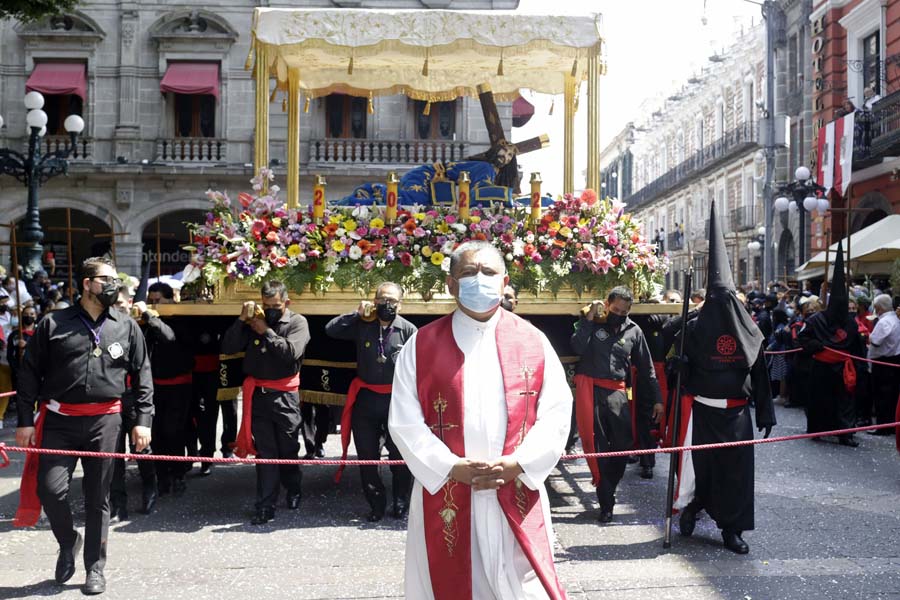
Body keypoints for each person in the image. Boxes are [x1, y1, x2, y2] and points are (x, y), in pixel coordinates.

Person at [388, 240, 572, 600]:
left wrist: (520, 462)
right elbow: (404, 421)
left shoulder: (533, 341)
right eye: (468, 273)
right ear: (450, 285)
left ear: (505, 282)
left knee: (523, 589)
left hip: (515, 485)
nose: (480, 280)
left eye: (489, 272)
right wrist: (450, 466)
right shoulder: (422, 345)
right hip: (446, 490)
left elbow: (556, 413)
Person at [14, 257, 153, 595]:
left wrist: (142, 421)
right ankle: (68, 541)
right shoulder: (53, 323)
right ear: (87, 283)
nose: (113, 286)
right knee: (50, 489)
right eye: (106, 279)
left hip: (106, 421)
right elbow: (29, 371)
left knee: (97, 497)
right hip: (59, 421)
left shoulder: (126, 325)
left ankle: (95, 567)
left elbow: (143, 373)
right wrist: (23, 421)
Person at [674, 200, 775, 554]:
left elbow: (761, 374)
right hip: (702, 413)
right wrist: (680, 362)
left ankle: (733, 530)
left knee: (736, 475)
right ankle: (693, 507)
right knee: (704, 469)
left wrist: (766, 412)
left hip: (736, 416)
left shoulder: (750, 333)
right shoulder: (692, 328)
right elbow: (676, 364)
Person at [221, 280, 310, 525]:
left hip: (285, 397)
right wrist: (242, 320)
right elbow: (228, 347)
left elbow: (291, 353)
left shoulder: (297, 323)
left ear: (286, 303)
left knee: (287, 450)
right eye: (266, 304)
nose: (270, 309)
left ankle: (293, 487)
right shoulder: (254, 322)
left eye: (276, 305)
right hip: (259, 396)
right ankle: (265, 504)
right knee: (266, 453)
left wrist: (266, 332)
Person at [326, 282, 417, 521]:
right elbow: (331, 330)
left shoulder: (408, 330)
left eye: (393, 301)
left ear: (400, 304)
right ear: (374, 301)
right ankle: (376, 504)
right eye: (383, 300)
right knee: (367, 456)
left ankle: (401, 501)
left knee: (400, 456)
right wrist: (356, 314)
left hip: (396, 401)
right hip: (366, 400)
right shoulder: (363, 325)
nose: (387, 305)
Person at [571, 287, 663, 521]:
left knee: (623, 446)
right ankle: (606, 500)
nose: (619, 314)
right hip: (591, 392)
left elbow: (646, 368)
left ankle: (609, 485)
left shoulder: (634, 331)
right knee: (600, 447)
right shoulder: (592, 322)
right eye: (615, 309)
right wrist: (589, 320)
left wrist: (657, 400)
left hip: (618, 394)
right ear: (607, 303)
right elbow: (577, 347)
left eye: (624, 311)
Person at [797, 242, 865, 447]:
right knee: (820, 400)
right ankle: (818, 429)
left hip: (843, 368)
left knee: (845, 402)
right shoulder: (816, 320)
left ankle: (845, 432)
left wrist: (859, 369)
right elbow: (802, 339)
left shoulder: (850, 324)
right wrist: (815, 345)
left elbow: (857, 348)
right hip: (822, 367)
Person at [137, 282, 194, 497]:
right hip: (155, 385)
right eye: (151, 301)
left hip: (179, 385)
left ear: (170, 300)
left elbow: (169, 337)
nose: (153, 304)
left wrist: (150, 317)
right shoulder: (147, 322)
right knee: (157, 433)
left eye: (158, 300)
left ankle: (178, 473)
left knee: (174, 431)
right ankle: (161, 476)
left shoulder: (182, 318)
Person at [109, 287, 158, 520]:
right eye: (113, 304)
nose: (118, 308)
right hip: (112, 398)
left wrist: (144, 415)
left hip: (134, 396)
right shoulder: (105, 328)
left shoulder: (135, 328)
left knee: (142, 448)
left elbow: (143, 372)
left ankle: (151, 489)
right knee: (114, 454)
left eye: (121, 304)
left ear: (129, 303)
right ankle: (118, 503)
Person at [868, 294, 900, 434]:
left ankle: (883, 426)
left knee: (881, 395)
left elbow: (875, 341)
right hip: (894, 360)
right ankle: (892, 425)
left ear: (878, 308)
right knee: (892, 395)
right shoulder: (896, 319)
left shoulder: (884, 321)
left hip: (883, 361)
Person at [6, 304, 37, 391]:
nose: (28, 316)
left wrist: (27, 345)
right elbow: (10, 355)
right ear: (22, 316)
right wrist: (16, 370)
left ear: (36, 316)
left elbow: (42, 350)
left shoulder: (40, 333)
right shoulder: (15, 334)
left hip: (35, 371)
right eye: (26, 314)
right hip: (18, 371)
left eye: (31, 314)